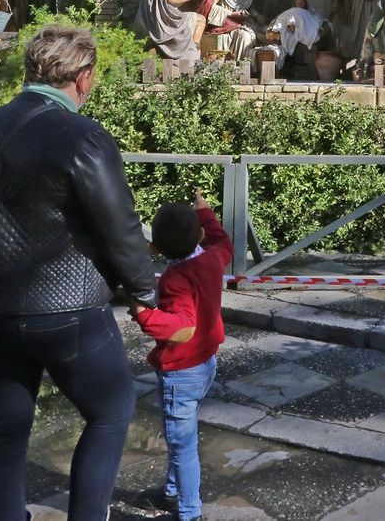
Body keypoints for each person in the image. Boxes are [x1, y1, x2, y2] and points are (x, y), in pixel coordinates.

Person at [0, 25, 157, 521]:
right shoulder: (84, 135)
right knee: (110, 411)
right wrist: (144, 290)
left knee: (1, 428)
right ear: (83, 78)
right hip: (68, 309)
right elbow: (118, 224)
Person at [130, 190, 234, 521]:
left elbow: (181, 328)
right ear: (200, 235)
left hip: (181, 370)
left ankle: (190, 513)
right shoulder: (212, 258)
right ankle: (172, 492)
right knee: (179, 434)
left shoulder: (175, 278)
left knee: (182, 445)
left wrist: (143, 313)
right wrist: (205, 213)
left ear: (154, 248)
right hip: (205, 364)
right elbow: (224, 242)